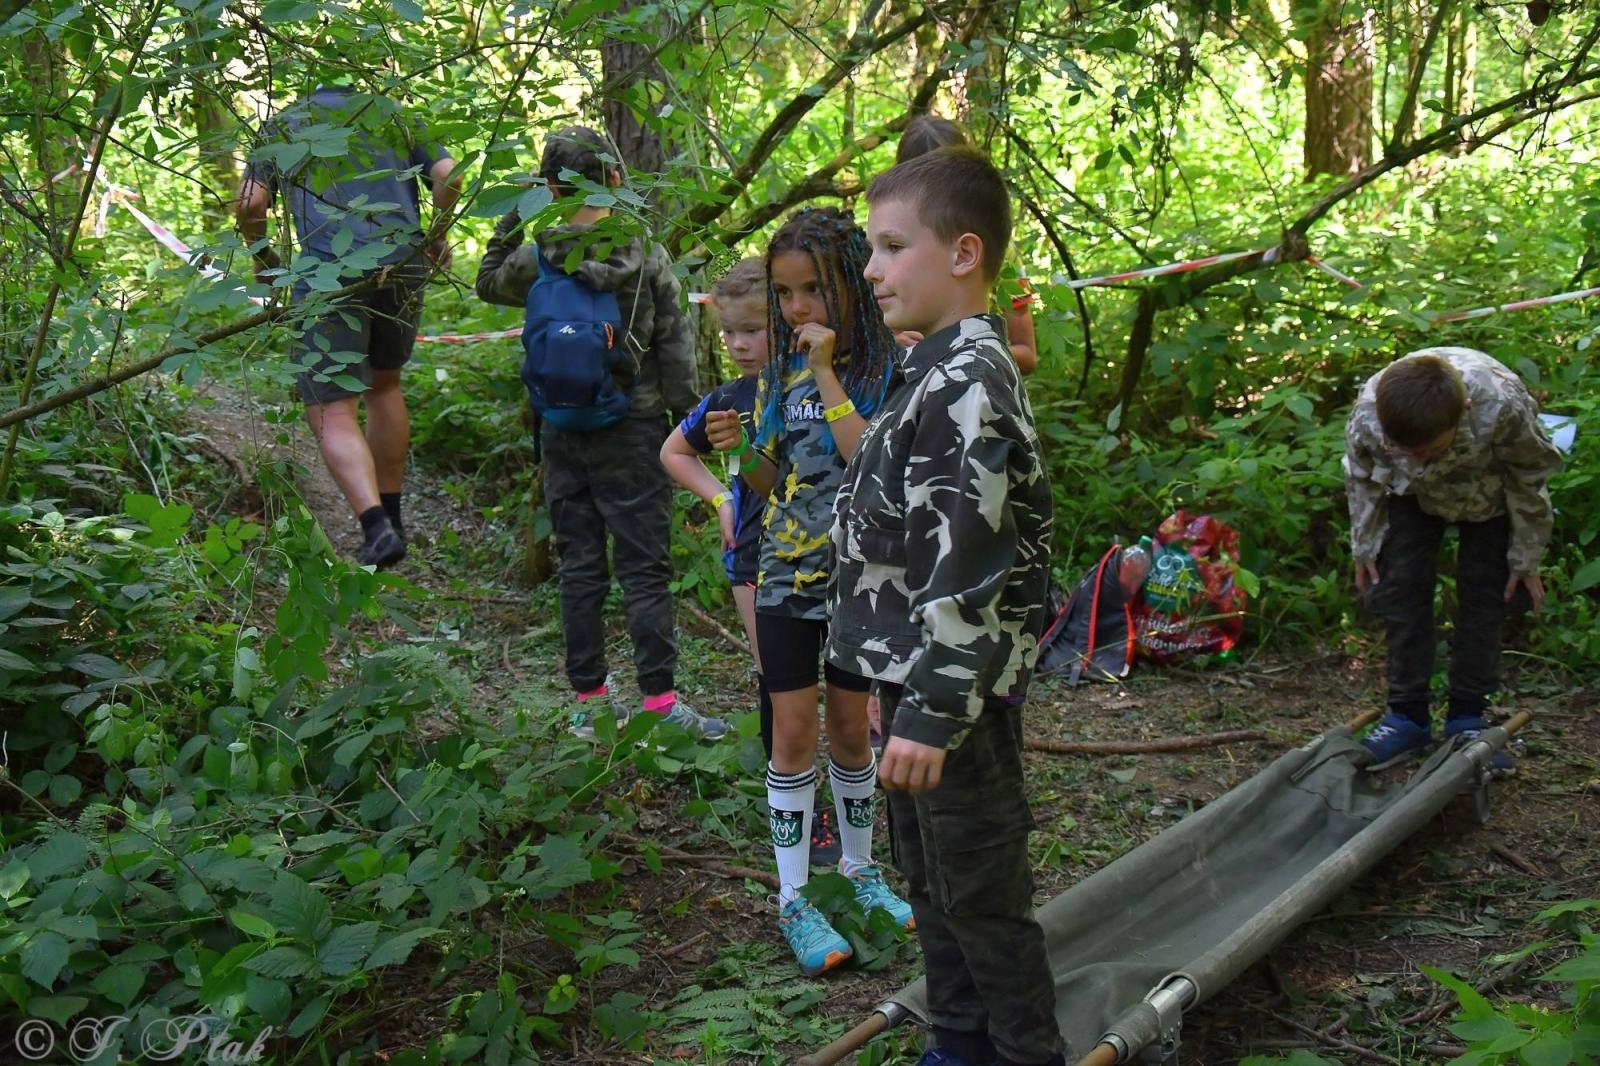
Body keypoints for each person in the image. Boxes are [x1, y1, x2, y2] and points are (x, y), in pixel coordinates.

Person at [830, 145, 1064, 1066]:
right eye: (870, 251)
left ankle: (1022, 1052)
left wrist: (929, 714)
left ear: (963, 255)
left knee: (981, 889)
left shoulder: (971, 381)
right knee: (930, 877)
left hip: (951, 700)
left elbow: (969, 562)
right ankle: (961, 1038)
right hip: (915, 683)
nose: (873, 271)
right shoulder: (933, 366)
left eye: (891, 249)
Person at [703, 207, 911, 976]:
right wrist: (739, 454)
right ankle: (794, 899)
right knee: (793, 735)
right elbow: (770, 474)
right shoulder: (779, 372)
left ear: (852, 286)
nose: (796, 311)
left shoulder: (892, 368)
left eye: (811, 292)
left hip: (861, 575)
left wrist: (825, 371)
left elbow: (871, 466)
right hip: (788, 572)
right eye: (784, 294)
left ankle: (860, 874)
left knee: (854, 731)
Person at [475, 125, 726, 741]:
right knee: (644, 568)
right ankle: (661, 707)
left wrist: (516, 210)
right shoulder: (645, 254)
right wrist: (688, 429)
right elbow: (676, 349)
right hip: (635, 429)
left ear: (550, 186)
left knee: (581, 567)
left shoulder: (536, 256)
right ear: (615, 177)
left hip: (561, 431)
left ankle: (589, 704)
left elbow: (485, 282)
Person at [658, 258, 844, 866]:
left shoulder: (820, 381)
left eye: (751, 330)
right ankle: (799, 810)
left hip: (829, 556)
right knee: (779, 681)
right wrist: (718, 500)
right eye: (727, 333)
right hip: (755, 557)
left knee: (843, 682)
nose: (738, 345)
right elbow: (673, 450)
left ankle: (851, 795)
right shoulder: (730, 399)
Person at [237, 83, 461, 567]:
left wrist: (263, 259)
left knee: (331, 408)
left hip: (326, 274)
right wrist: (434, 239)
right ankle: (394, 516)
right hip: (402, 263)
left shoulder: (284, 124)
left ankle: (376, 527)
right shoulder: (393, 113)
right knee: (385, 385)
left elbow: (251, 204)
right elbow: (450, 176)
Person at [1344, 347, 1561, 772]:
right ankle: (1407, 717)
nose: (1418, 455)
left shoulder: (1502, 405)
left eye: (1429, 449)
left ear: (1464, 413)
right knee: (1400, 591)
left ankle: (1467, 718)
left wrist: (1526, 558)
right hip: (1410, 495)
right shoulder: (1371, 413)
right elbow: (1361, 476)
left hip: (1490, 496)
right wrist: (1365, 547)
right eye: (1405, 448)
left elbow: (1530, 476)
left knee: (1487, 598)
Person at [895, 113, 1039, 376]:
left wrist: (952, 350)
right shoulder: (884, 253)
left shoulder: (1001, 253)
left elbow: (1027, 354)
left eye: (945, 185)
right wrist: (891, 351)